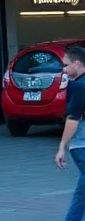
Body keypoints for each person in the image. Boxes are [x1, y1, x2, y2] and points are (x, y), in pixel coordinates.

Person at [56, 45, 85, 220]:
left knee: (82, 193)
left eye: (66, 65)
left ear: (77, 63)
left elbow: (73, 119)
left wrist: (62, 147)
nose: (64, 70)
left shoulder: (78, 86)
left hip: (81, 145)